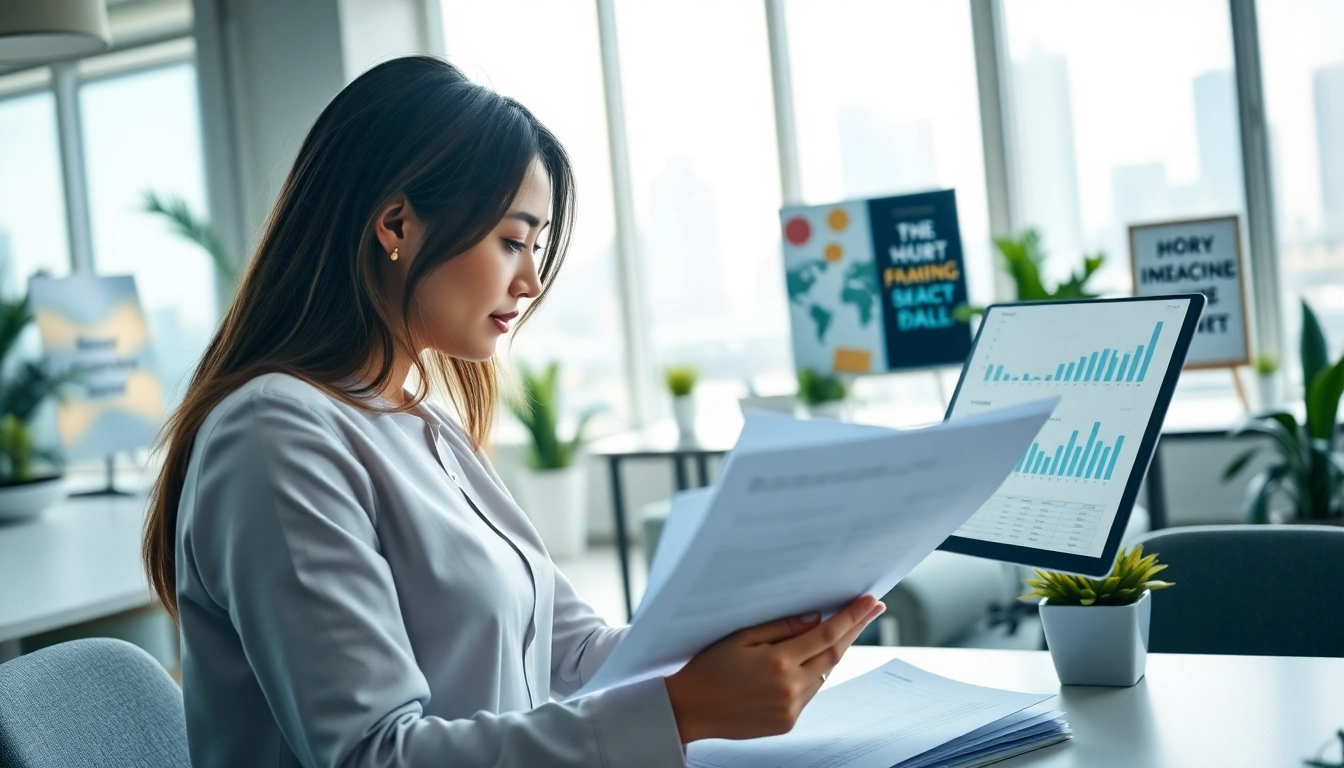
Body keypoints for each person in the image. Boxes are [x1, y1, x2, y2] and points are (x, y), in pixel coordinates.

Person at [141, 55, 884, 768]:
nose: (530, 280)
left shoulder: (422, 423)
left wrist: (747, 638)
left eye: (536, 246)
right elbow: (373, 754)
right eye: (512, 241)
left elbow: (574, 652)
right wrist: (679, 712)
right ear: (396, 225)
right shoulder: (274, 434)